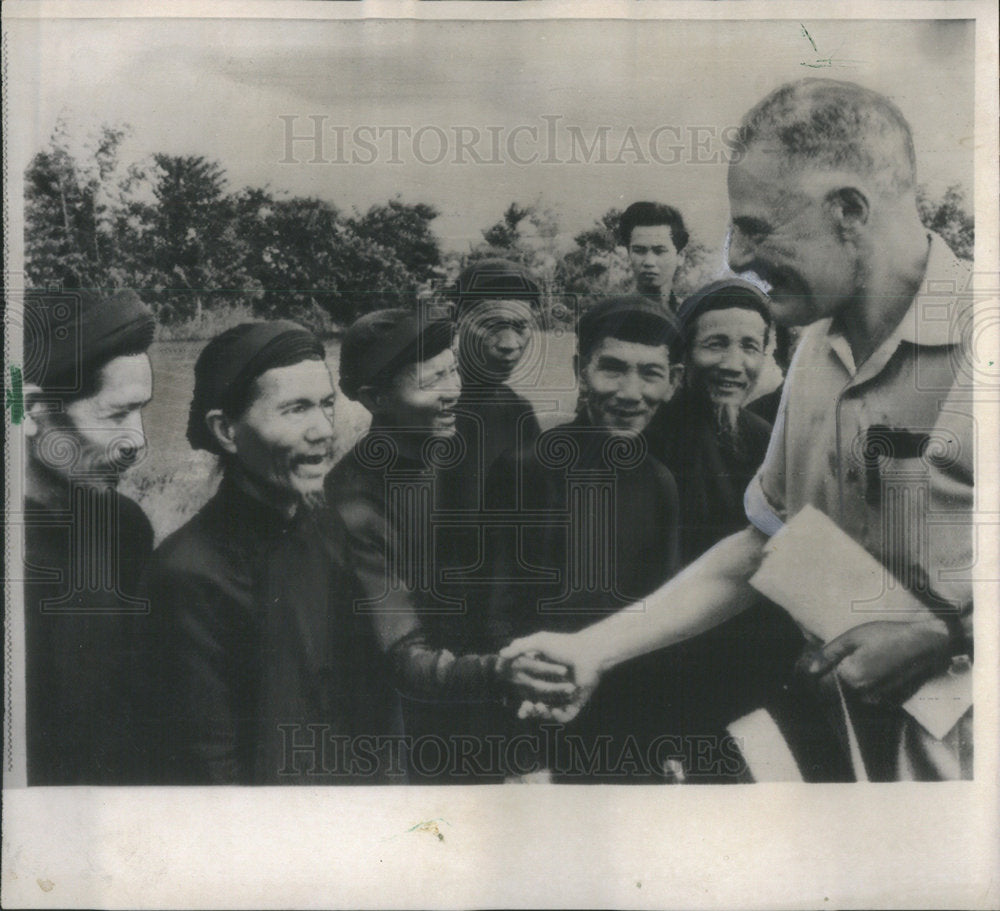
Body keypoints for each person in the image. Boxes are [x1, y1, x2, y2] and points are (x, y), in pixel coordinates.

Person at [503, 78, 974, 782]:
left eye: (757, 228)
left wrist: (951, 637)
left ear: (849, 211)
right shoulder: (815, 350)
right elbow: (764, 546)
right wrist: (592, 649)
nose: (739, 258)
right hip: (855, 770)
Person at [146, 321, 403, 784]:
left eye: (327, 404)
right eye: (295, 409)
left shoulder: (333, 531)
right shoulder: (187, 574)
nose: (324, 431)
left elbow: (377, 709)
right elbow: (209, 766)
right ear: (226, 430)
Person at [326, 308, 573, 782]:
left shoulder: (453, 448)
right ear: (374, 398)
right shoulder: (354, 503)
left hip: (486, 703)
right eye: (431, 380)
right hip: (409, 731)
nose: (453, 391)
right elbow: (401, 656)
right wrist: (500, 672)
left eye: (452, 370)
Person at [486, 295, 686, 781]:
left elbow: (662, 617)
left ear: (674, 381)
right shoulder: (526, 470)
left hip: (628, 728)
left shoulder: (661, 482)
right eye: (612, 369)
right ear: (581, 370)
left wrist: (665, 739)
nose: (630, 393)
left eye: (651, 374)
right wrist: (522, 753)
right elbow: (497, 614)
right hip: (541, 716)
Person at [22, 288, 157, 784]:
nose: (137, 441)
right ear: (31, 411)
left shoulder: (124, 527)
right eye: (116, 414)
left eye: (140, 412)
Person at [446, 258, 544, 510]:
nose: (509, 344)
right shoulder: (425, 407)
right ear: (456, 320)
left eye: (520, 326)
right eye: (491, 325)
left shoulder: (519, 412)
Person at [619, 201, 689, 313]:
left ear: (680, 256)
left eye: (659, 251)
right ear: (628, 254)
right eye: (639, 251)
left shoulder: (690, 316)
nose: (649, 262)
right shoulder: (611, 315)